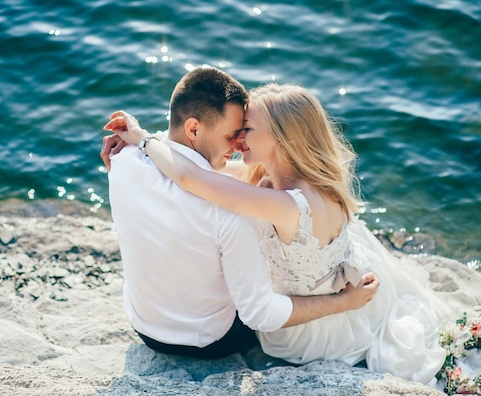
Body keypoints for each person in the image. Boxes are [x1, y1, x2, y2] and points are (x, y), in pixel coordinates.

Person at [104, 80, 447, 384]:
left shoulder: (285, 204)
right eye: (236, 131)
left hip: (304, 331)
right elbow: (211, 170)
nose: (238, 140)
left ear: (282, 138)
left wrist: (142, 141)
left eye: (247, 129)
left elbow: (193, 177)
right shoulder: (281, 180)